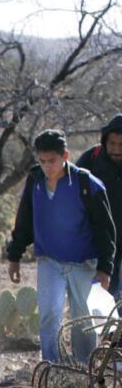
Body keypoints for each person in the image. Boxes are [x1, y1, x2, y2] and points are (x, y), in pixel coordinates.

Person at [6, 129, 116, 365]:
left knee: (83, 320)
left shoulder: (87, 184)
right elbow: (24, 220)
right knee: (49, 315)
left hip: (83, 263)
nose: (47, 166)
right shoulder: (35, 181)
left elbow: (105, 229)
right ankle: (52, 368)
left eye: (52, 161)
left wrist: (105, 268)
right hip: (50, 260)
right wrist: (14, 255)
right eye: (42, 161)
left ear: (65, 155)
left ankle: (84, 368)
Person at [76, 114, 122, 300]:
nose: (117, 150)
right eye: (112, 144)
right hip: (100, 243)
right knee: (101, 298)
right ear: (105, 141)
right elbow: (73, 195)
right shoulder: (91, 160)